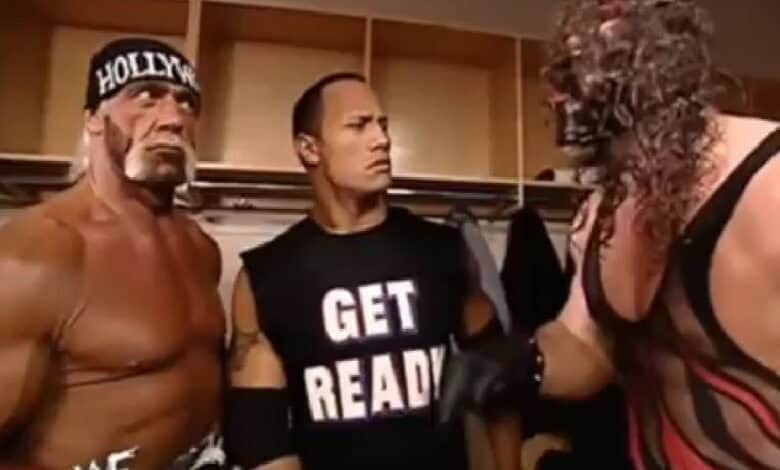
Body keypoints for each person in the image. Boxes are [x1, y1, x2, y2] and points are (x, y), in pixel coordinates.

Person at [438, 0, 780, 468]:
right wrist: (520, 362)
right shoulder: (601, 213)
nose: (556, 92)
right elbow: (586, 348)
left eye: (577, 66)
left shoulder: (769, 178)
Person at [224, 72, 520, 470]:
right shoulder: (266, 276)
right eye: (358, 125)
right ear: (310, 149)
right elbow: (262, 436)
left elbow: (499, 380)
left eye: (382, 125)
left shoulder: (444, 250)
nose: (381, 139)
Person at [0, 38, 226, 469]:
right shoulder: (38, 251)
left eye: (186, 103)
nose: (173, 119)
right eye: (147, 98)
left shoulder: (200, 247)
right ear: (94, 119)